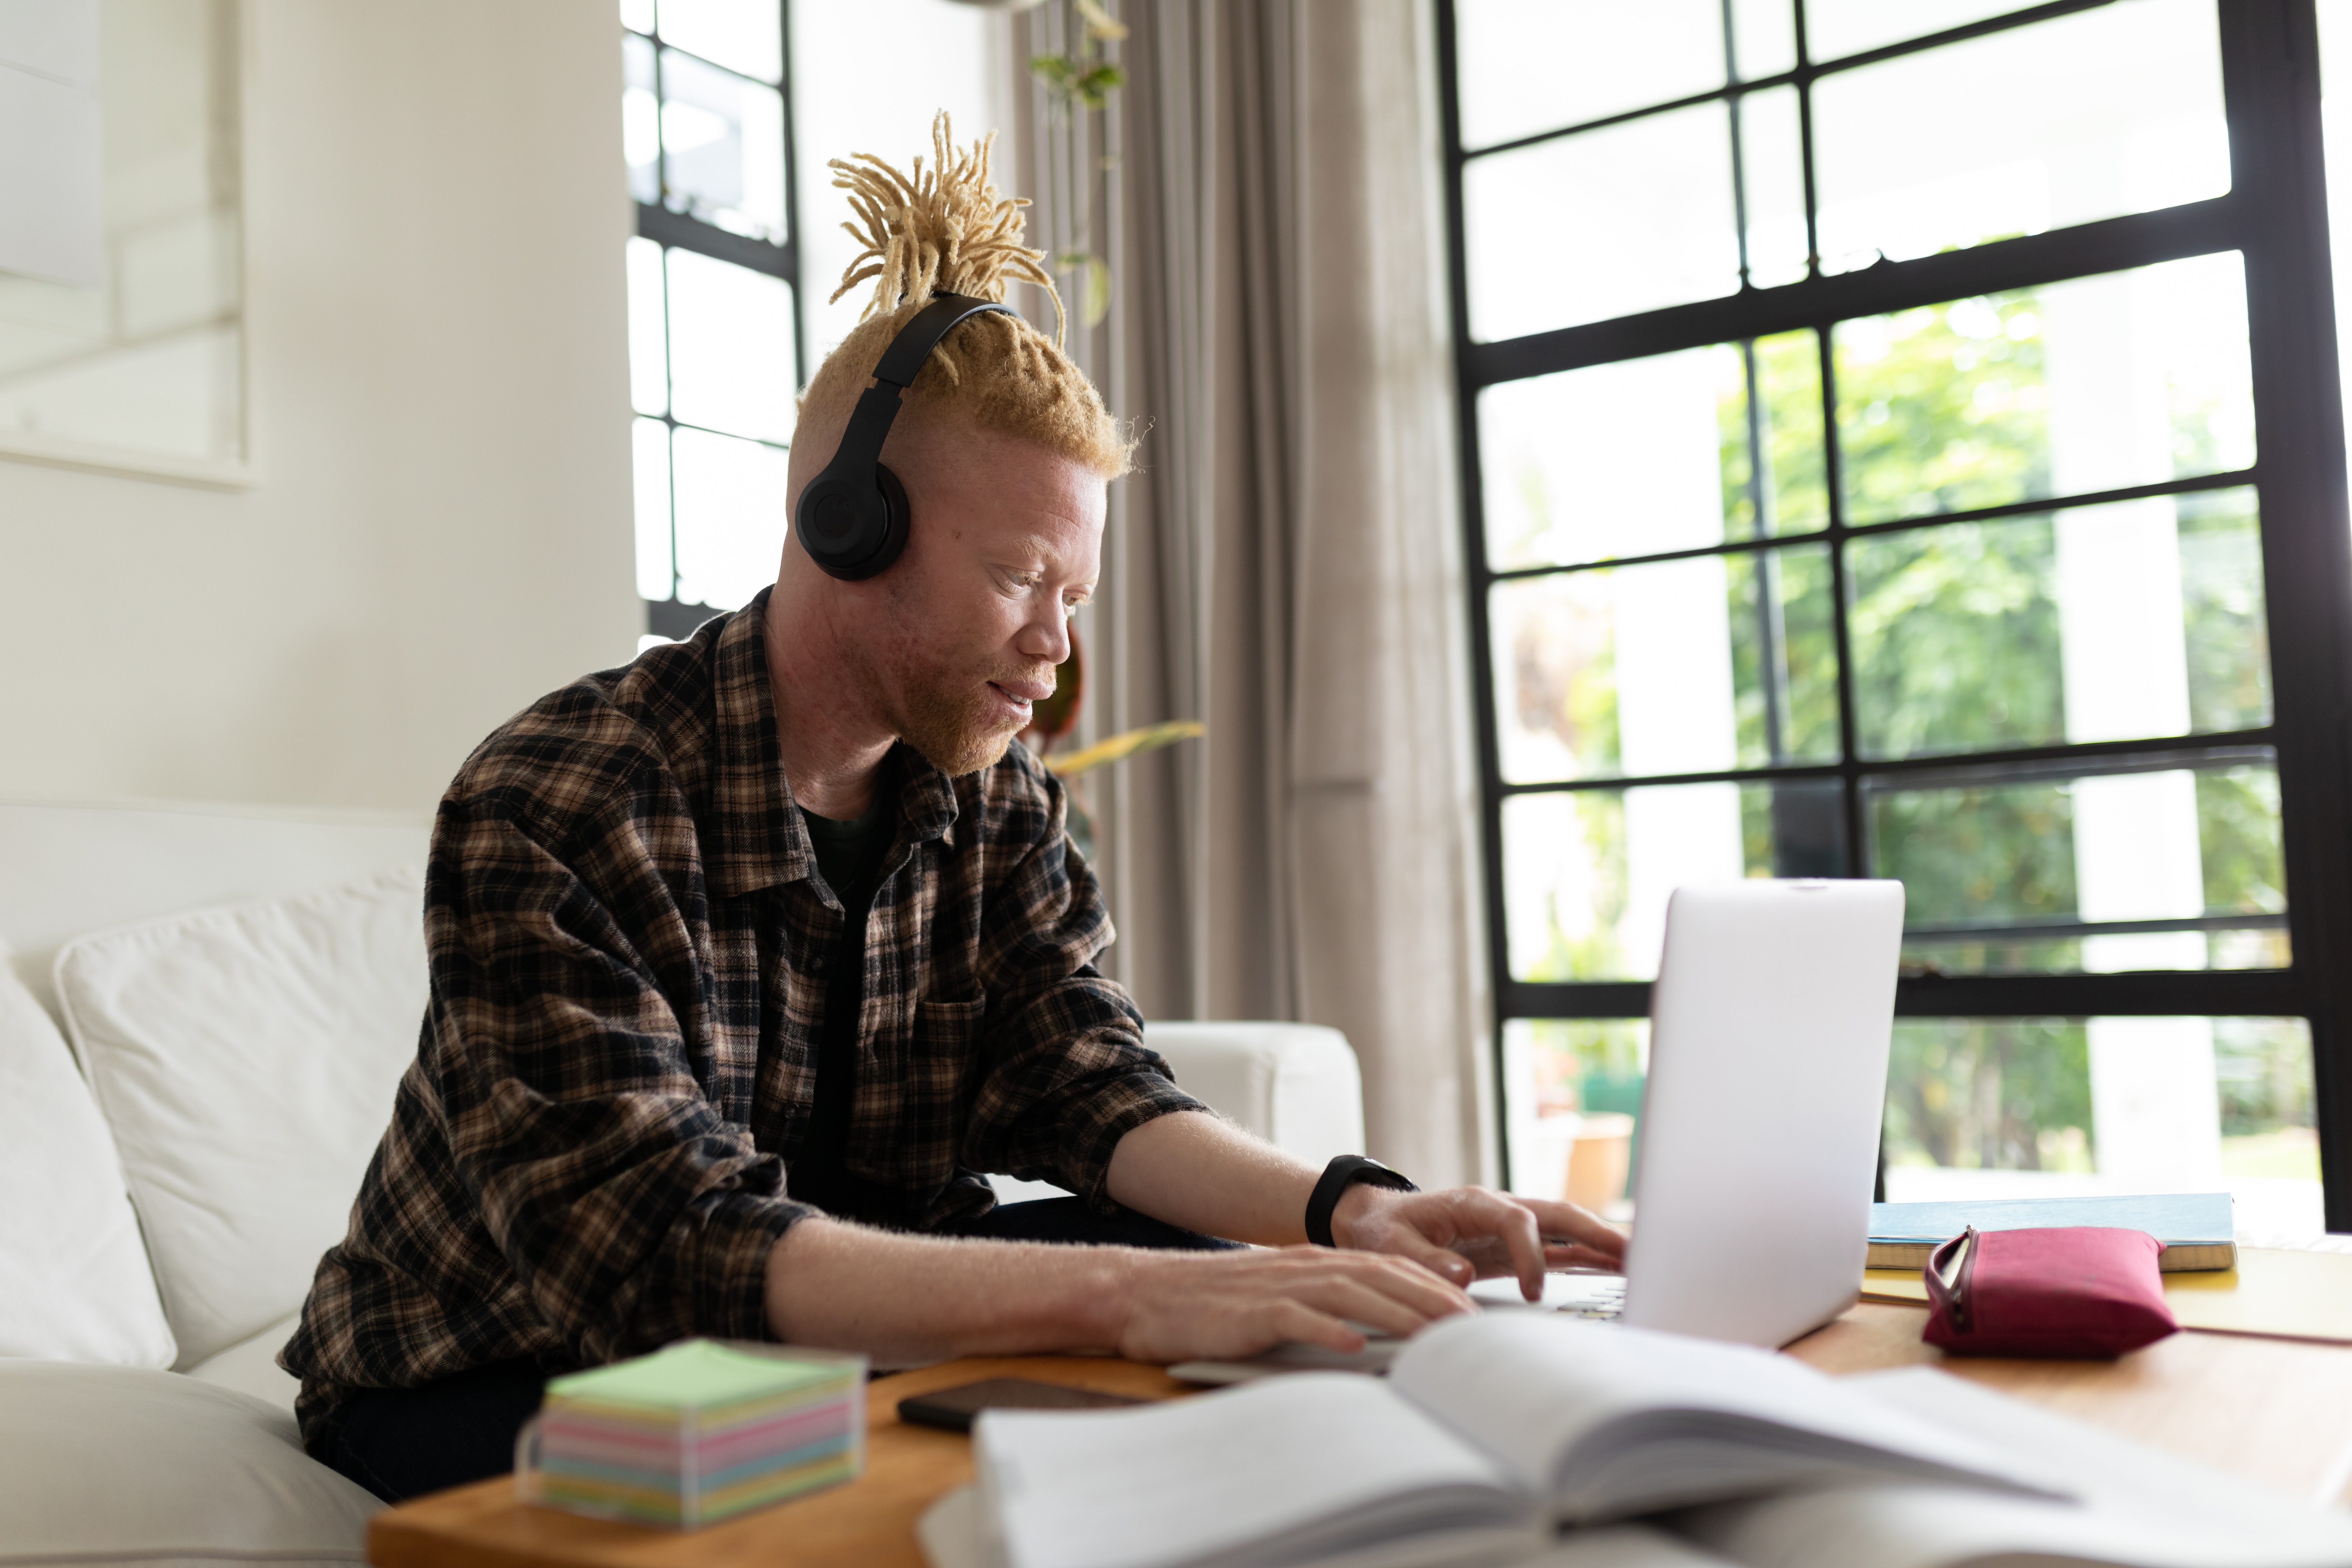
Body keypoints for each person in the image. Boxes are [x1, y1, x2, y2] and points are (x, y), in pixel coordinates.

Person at [281, 117, 1624, 1505]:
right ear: (844, 523)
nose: (1056, 646)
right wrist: (1110, 1301)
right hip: (511, 1364)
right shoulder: (558, 799)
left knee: (1258, 1290)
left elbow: (1085, 1081)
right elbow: (667, 1251)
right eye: (1019, 578)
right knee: (1090, 1328)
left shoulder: (996, 796)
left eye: (1075, 597)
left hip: (830, 1315)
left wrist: (1354, 1209)